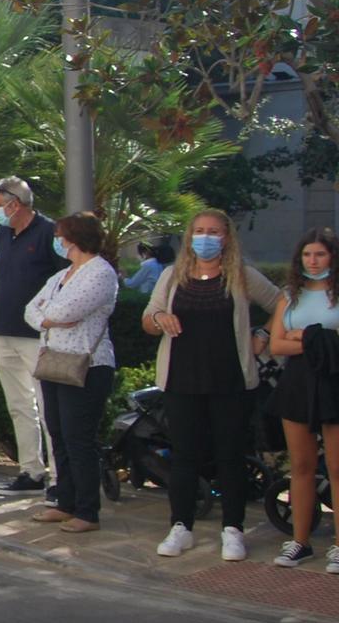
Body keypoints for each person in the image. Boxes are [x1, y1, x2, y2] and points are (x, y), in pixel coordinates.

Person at [142, 209, 279, 559]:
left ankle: (232, 530)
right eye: (199, 231)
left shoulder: (242, 276)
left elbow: (281, 302)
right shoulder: (172, 276)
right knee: (185, 457)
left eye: (213, 231)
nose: (206, 237)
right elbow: (148, 317)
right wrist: (160, 317)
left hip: (230, 380)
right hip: (181, 380)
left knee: (230, 457)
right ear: (189, 238)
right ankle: (180, 527)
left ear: (227, 238)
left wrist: (263, 333)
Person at [25, 213, 121, 534]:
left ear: (76, 237)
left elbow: (66, 311)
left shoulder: (100, 273)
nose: (57, 240)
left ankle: (87, 510)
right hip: (54, 361)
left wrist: (50, 316)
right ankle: (64, 502)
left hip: (87, 366)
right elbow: (32, 310)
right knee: (59, 435)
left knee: (79, 438)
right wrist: (49, 319)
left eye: (61, 234)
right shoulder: (63, 274)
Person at [0, 175, 65, 494]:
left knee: (49, 408)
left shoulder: (49, 232)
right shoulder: (3, 235)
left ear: (15, 203)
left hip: (38, 335)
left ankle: (61, 478)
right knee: (19, 405)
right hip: (4, 329)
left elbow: (64, 278)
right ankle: (31, 471)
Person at [269, 228, 339, 569]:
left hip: (334, 382)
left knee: (338, 468)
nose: (313, 261)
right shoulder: (289, 295)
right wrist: (317, 340)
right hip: (297, 382)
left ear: (332, 257)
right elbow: (277, 344)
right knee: (301, 466)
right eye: (307, 255)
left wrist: (304, 336)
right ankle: (300, 541)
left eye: (320, 254)